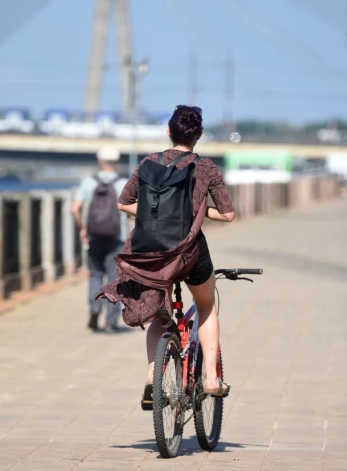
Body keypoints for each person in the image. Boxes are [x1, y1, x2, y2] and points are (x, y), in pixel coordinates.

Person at [99, 105, 235, 398]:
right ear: (198, 135)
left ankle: (152, 379)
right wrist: (197, 211)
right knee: (206, 305)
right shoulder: (206, 167)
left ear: (168, 131)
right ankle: (211, 379)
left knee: (161, 316)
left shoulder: (149, 162)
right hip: (189, 253)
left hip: (148, 253)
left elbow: (123, 203)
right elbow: (228, 215)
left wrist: (153, 216)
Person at [72, 147, 129, 332]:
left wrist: (82, 230)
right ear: (117, 162)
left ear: (99, 161)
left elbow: (74, 209)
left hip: (94, 236)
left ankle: (95, 307)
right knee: (114, 279)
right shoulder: (124, 184)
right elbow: (134, 212)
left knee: (96, 274)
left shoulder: (89, 182)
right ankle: (110, 323)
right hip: (117, 238)